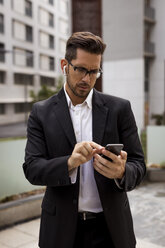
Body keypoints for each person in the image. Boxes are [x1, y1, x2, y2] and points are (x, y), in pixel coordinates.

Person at [23, 31, 146, 248]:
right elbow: (32, 169)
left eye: (94, 71)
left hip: (111, 230)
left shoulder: (120, 109)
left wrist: (122, 172)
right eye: (80, 69)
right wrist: (69, 163)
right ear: (65, 64)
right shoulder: (40, 112)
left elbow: (139, 165)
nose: (87, 79)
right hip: (60, 230)